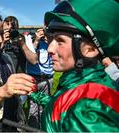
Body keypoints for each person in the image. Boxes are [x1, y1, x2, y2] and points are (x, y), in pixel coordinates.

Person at [28, 0, 119, 132]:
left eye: (60, 41)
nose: (50, 49)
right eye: (51, 39)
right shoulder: (82, 85)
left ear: (90, 49)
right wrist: (33, 94)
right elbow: (62, 105)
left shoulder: (88, 110)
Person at [22, 28, 54, 128]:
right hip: (35, 78)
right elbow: (31, 56)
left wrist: (48, 38)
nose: (42, 33)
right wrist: (36, 39)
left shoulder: (48, 43)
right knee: (33, 108)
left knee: (45, 106)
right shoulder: (30, 40)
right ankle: (33, 129)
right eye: (40, 31)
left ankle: (43, 127)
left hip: (48, 79)